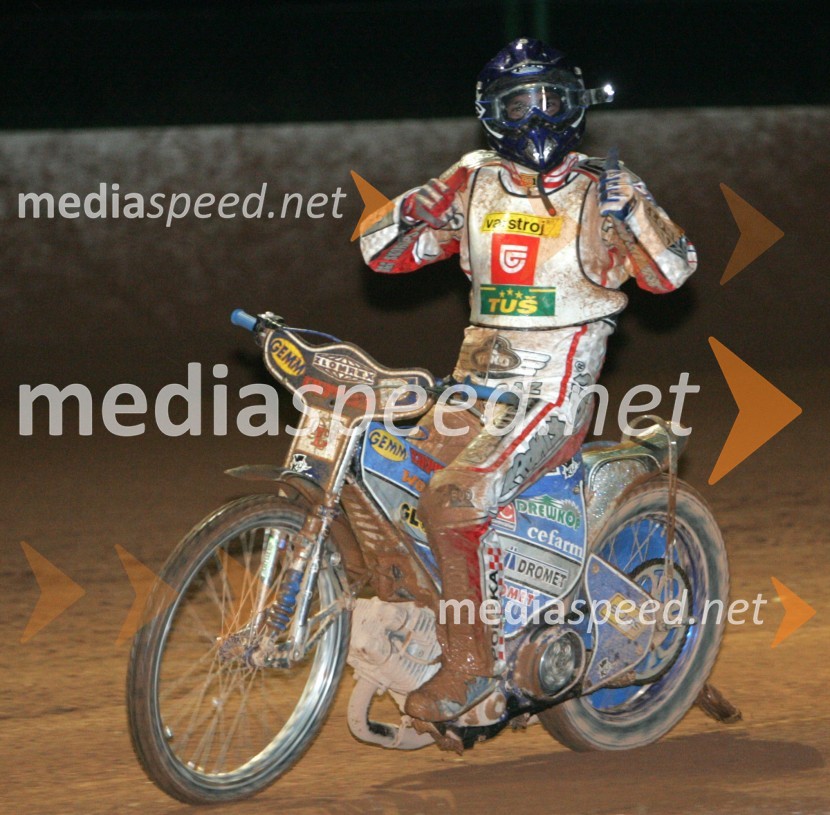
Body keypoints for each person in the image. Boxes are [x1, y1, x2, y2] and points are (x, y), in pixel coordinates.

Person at [359, 38, 697, 722]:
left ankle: (470, 669)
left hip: (552, 400)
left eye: (551, 98)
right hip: (471, 391)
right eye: (520, 101)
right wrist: (412, 211)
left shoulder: (606, 188)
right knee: (382, 465)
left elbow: (674, 271)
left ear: (575, 105)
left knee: (453, 499)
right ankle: (437, 618)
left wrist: (630, 214)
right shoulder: (472, 182)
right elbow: (380, 254)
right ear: (493, 112)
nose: (537, 115)